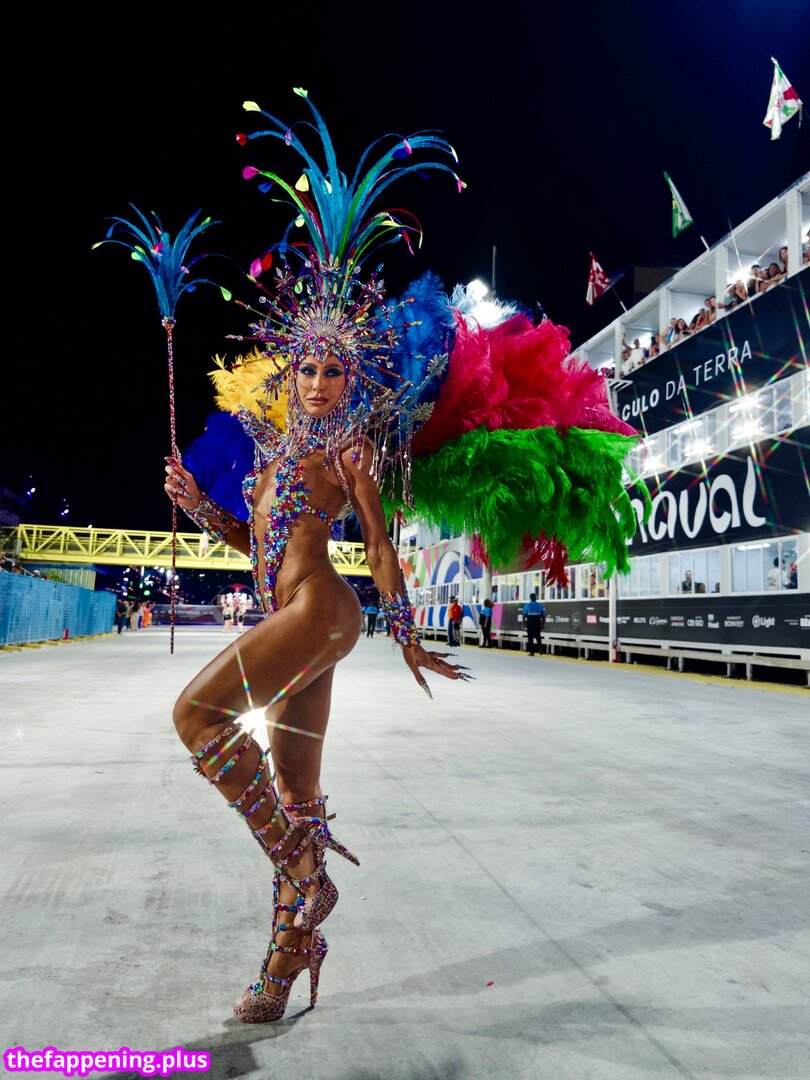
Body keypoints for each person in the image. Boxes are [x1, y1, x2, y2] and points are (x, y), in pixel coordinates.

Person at [163, 93, 470, 1027]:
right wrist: (201, 508)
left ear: (350, 379)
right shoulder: (270, 456)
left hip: (326, 610)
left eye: (337, 370)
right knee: (294, 790)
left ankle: (305, 873)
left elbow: (375, 544)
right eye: (310, 369)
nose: (323, 382)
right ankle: (288, 955)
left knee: (196, 717)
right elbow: (257, 549)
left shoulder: (347, 451)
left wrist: (406, 631)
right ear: (290, 374)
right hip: (289, 610)